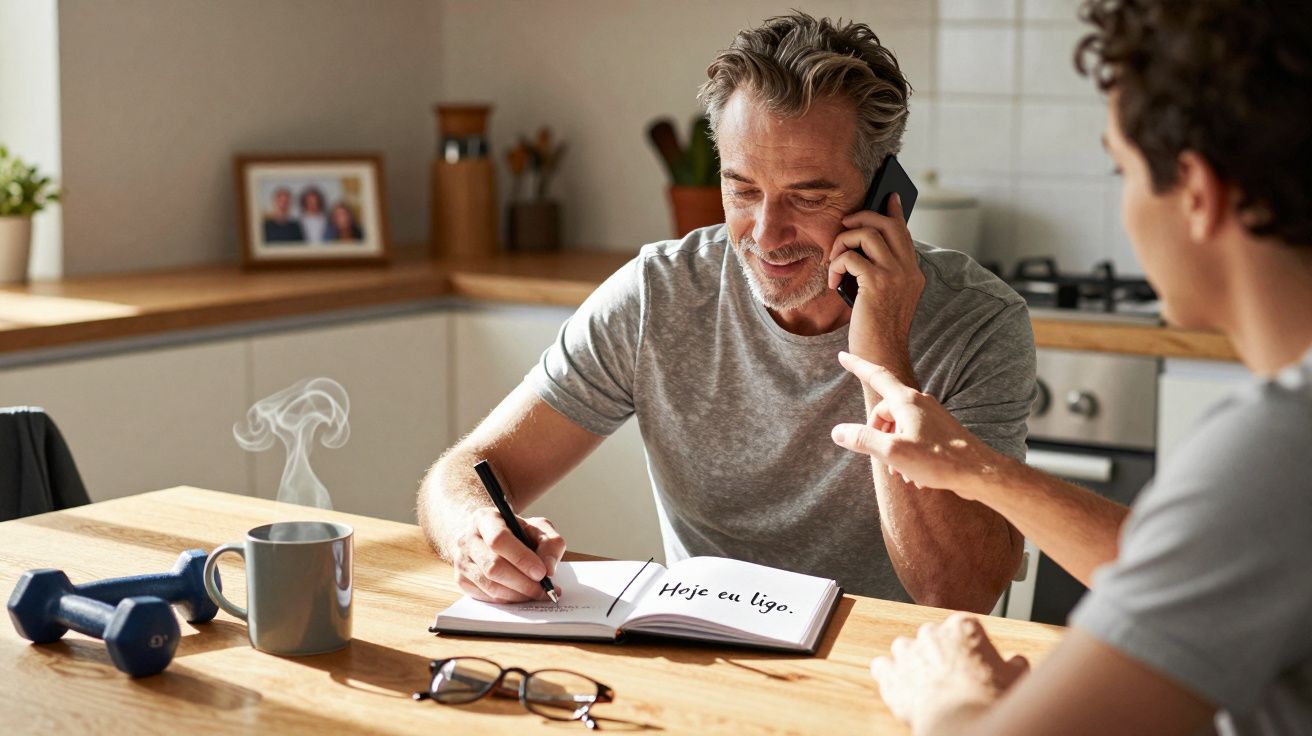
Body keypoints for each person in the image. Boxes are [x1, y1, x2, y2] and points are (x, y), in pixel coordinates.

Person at [417, 12, 1038, 610]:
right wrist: (474, 533)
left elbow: (960, 592)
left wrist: (883, 350)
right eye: (742, 189)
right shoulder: (659, 293)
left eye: (807, 195)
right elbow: (460, 476)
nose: (766, 234)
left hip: (893, 683)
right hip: (710, 666)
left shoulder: (978, 322)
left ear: (885, 193)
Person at [839, 1, 1312, 733]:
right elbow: (1188, 563)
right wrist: (974, 468)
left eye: (1120, 169)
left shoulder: (1279, 449)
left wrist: (953, 699)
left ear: (1196, 193)